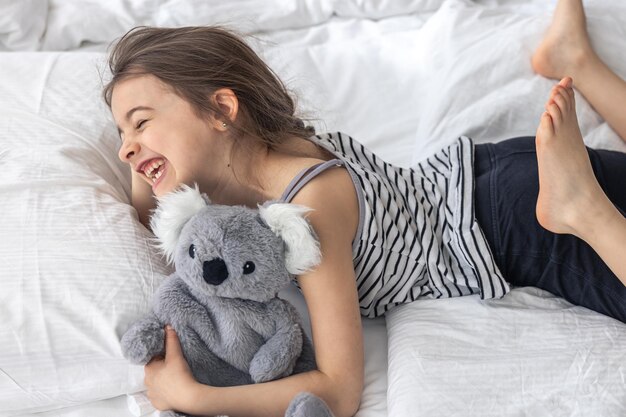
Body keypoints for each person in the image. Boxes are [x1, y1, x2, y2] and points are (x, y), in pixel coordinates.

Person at [104, 0, 626, 415]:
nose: (126, 148)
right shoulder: (267, 152)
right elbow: (147, 211)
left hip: (525, 224)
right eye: (121, 132)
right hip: (502, 172)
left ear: (221, 109)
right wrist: (143, 145)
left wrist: (197, 399)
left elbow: (339, 388)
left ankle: (586, 210)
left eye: (141, 121)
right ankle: (577, 61)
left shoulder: (307, 209)